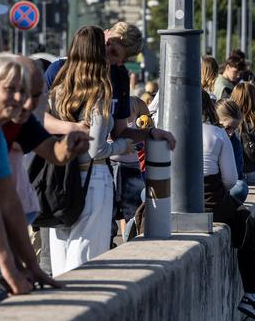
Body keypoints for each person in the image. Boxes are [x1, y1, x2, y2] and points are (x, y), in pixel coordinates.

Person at [0, 57, 92, 310]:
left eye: (33, 95)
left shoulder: (4, 125)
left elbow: (9, 201)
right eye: (13, 90)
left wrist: (31, 267)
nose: (26, 103)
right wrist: (10, 269)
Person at [46, 26, 137, 277]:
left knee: (61, 257)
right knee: (86, 262)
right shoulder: (100, 89)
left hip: (61, 175)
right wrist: (123, 146)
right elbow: (98, 149)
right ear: (98, 52)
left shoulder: (60, 86)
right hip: (93, 177)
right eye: (105, 46)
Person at [43, 22, 175, 149]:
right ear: (104, 33)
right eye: (107, 43)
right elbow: (39, 118)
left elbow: (120, 133)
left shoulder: (119, 78)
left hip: (95, 165)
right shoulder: (59, 68)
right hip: (58, 161)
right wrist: (74, 128)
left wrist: (150, 132)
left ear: (123, 61)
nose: (106, 51)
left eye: (114, 53)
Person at [200, 92, 255, 321]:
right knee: (253, 227)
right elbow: (230, 180)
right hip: (210, 198)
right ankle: (251, 297)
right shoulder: (217, 134)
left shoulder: (171, 130)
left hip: (173, 199)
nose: (229, 133)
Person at [109, 96, 148, 244]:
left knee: (136, 218)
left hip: (133, 170)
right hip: (108, 168)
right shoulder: (103, 104)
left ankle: (133, 250)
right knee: (108, 222)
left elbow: (149, 132)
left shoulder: (138, 104)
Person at [215, 99, 248, 203]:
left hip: (225, 187)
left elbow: (237, 174)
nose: (231, 133)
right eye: (228, 128)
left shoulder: (235, 142)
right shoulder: (207, 138)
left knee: (241, 188)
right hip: (208, 188)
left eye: (234, 129)